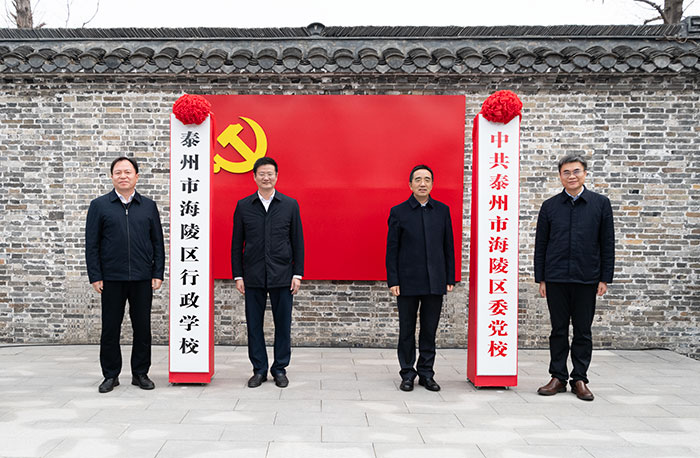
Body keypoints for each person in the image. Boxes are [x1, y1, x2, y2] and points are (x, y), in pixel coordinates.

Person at [534, 154, 615, 401]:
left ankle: (580, 378)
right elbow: (541, 244)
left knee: (582, 331)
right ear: (560, 176)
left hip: (586, 278)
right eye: (566, 172)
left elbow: (607, 243)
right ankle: (558, 377)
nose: (571, 176)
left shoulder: (600, 204)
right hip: (556, 278)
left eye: (576, 171)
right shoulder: (550, 206)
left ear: (585, 174)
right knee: (558, 330)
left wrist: (604, 278)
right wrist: (541, 278)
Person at [85, 156, 164, 393]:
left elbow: (157, 242)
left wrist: (157, 272)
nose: (123, 176)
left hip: (142, 277)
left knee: (142, 328)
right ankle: (111, 375)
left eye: (128, 172)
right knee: (110, 328)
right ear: (112, 177)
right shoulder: (99, 205)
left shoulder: (148, 206)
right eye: (118, 172)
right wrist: (95, 275)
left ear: (136, 176)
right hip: (111, 278)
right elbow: (92, 244)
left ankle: (140, 373)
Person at [231, 157, 304, 388]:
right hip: (253, 275)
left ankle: (279, 369)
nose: (266, 177)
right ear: (254, 177)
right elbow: (236, 244)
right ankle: (259, 369)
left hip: (283, 275)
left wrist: (298, 274)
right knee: (254, 325)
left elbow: (298, 241)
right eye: (261, 174)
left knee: (283, 324)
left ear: (276, 176)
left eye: (270, 173)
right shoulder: (244, 206)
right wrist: (238, 275)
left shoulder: (290, 205)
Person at [386, 164, 456, 392]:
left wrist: (450, 277)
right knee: (406, 330)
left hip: (434, 281)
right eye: (418, 179)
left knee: (429, 330)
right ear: (410, 185)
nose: (422, 183)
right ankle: (407, 373)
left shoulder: (442, 211)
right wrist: (393, 280)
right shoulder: (399, 212)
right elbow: (392, 249)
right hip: (407, 281)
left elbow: (448, 246)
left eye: (427, 179)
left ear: (432, 184)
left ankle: (426, 373)